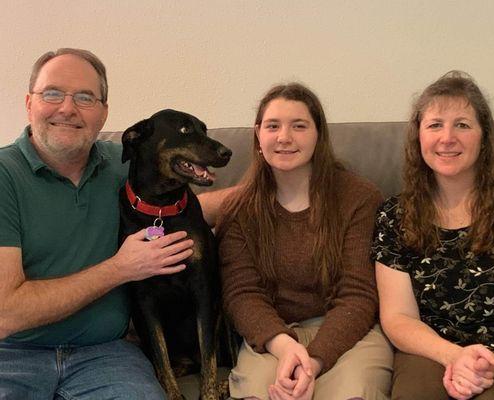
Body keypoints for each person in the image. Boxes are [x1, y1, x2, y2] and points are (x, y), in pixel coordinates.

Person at [0, 48, 195, 399]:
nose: (67, 108)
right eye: (52, 93)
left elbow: (184, 210)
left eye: (85, 97)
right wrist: (120, 268)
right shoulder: (4, 176)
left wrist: (266, 186)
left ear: (104, 113)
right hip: (12, 355)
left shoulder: (124, 167)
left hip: (107, 354)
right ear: (29, 103)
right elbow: (6, 313)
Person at [217, 82, 393, 400]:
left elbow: (358, 293)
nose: (285, 137)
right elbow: (242, 294)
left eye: (299, 126)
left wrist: (312, 359)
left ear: (318, 135)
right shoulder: (239, 209)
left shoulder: (359, 198)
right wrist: (285, 347)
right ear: (258, 136)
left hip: (349, 331)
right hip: (271, 335)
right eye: (273, 126)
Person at [372, 71, 494, 400]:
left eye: (462, 124)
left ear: (484, 137)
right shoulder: (395, 215)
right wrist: (453, 356)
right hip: (430, 350)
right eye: (434, 125)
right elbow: (398, 316)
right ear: (418, 137)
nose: (447, 138)